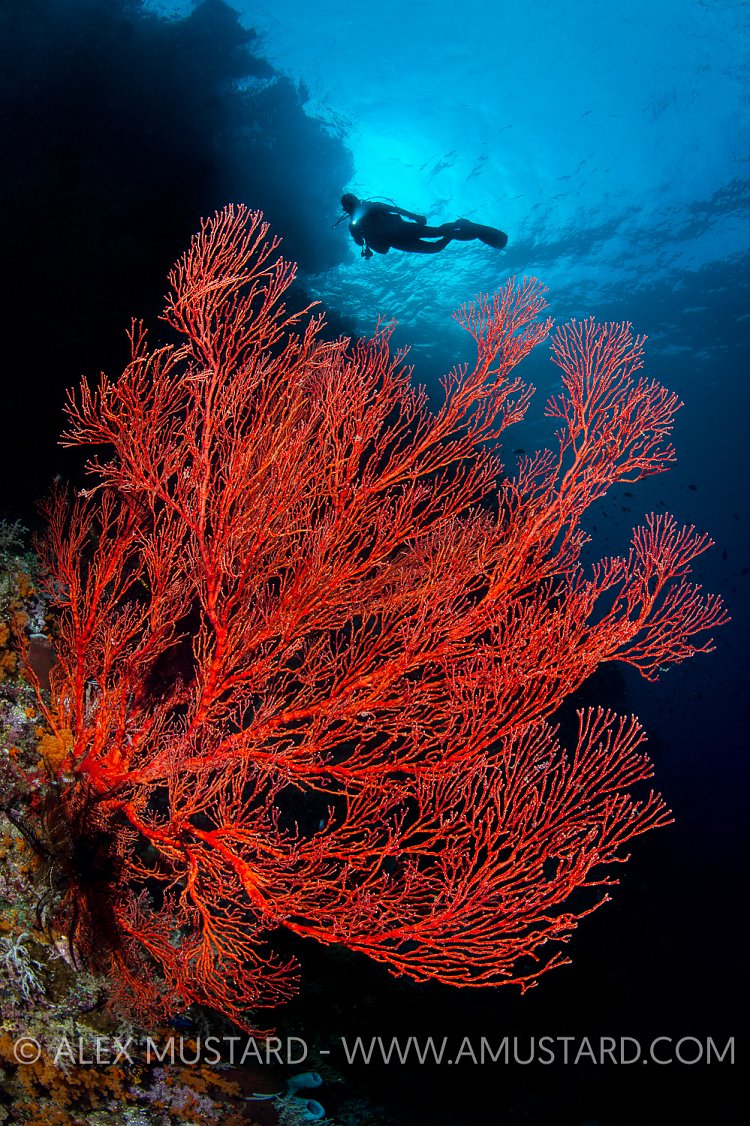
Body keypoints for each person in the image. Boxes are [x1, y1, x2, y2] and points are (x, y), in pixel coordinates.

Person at [339, 193, 508, 259]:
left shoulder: (371, 207)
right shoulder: (353, 225)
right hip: (397, 241)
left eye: (349, 205)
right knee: (435, 247)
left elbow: (393, 209)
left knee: (437, 232)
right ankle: (456, 231)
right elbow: (360, 243)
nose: (349, 208)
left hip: (403, 230)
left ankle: (459, 226)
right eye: (348, 206)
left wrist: (415, 217)